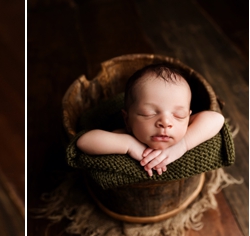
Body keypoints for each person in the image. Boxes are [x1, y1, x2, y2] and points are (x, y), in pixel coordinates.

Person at [75, 63, 224, 177]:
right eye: (148, 113)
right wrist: (129, 145)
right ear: (127, 120)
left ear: (188, 116)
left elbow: (216, 119)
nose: (165, 122)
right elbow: (84, 141)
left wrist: (183, 145)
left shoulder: (185, 132)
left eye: (178, 114)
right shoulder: (124, 136)